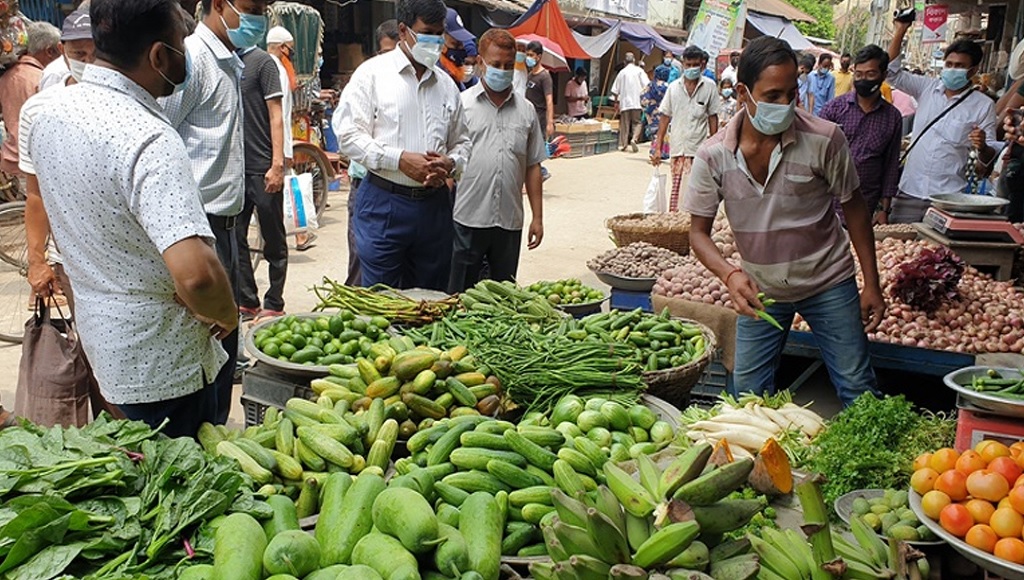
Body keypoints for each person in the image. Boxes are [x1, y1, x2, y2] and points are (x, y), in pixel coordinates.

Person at [27, 0, 237, 436]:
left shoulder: (49, 114)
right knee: (182, 484)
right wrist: (228, 314)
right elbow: (196, 275)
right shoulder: (150, 137)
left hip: (106, 348)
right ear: (159, 56)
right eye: (182, 45)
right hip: (166, 364)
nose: (186, 55)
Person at [684, 36, 884, 407]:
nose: (786, 105)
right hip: (761, 289)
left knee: (857, 387)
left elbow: (855, 208)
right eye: (773, 96)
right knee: (746, 397)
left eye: (792, 93)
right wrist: (729, 274)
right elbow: (698, 233)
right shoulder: (713, 156)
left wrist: (871, 283)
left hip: (828, 282)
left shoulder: (825, 139)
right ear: (743, 92)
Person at [160, 0, 269, 424]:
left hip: (226, 223)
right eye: (251, 7)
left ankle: (216, 433)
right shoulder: (194, 61)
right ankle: (205, 435)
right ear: (220, 5)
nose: (258, 18)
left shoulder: (230, 61)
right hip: (196, 227)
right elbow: (161, 134)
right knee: (208, 338)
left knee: (224, 343)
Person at [20, 6, 121, 421]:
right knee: (91, 349)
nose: (85, 61)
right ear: (62, 51)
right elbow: (36, 194)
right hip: (72, 261)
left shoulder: (121, 101)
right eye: (77, 52)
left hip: (119, 257)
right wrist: (38, 259)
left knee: (115, 356)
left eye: (92, 52)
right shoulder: (40, 111)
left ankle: (123, 430)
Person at [334, 0, 471, 290]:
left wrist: (450, 164)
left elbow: (462, 142)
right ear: (403, 30)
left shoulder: (446, 85)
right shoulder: (371, 75)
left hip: (434, 207)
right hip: (384, 202)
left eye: (439, 34)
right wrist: (398, 160)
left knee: (429, 300)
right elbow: (347, 135)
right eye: (426, 33)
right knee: (380, 299)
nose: (434, 42)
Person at [449, 29, 545, 293]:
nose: (502, 71)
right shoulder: (462, 106)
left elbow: (533, 165)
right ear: (480, 63)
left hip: (509, 221)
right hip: (467, 217)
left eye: (507, 65)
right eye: (495, 64)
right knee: (460, 295)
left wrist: (538, 217)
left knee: (503, 298)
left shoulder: (526, 111)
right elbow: (447, 161)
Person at [887, 19, 997, 223]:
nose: (952, 69)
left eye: (959, 66)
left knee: (938, 254)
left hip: (948, 198)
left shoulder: (983, 105)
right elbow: (891, 73)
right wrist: (901, 30)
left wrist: (982, 146)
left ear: (973, 71)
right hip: (909, 191)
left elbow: (987, 161)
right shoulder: (926, 88)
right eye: (949, 64)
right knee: (900, 248)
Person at [820, 44, 903, 225]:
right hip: (827, 203)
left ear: (883, 76)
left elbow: (890, 166)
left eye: (870, 74)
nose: (863, 79)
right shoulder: (833, 109)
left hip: (865, 206)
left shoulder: (892, 117)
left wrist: (884, 209)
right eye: (859, 74)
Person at [344, 20, 398, 287]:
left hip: (401, 191)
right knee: (361, 260)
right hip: (366, 184)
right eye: (386, 52)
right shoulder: (367, 79)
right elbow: (349, 135)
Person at [236, 47, 287, 322]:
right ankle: (248, 300)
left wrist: (277, 163)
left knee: (273, 239)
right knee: (236, 238)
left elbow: (275, 113)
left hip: (263, 166)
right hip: (234, 170)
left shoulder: (261, 62)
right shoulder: (224, 61)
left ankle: (275, 301)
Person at [651, 45, 721, 212]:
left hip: (698, 150)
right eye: (688, 65)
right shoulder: (674, 87)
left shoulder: (709, 87)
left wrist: (715, 148)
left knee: (695, 194)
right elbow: (665, 118)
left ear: (702, 65)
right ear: (683, 64)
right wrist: (657, 148)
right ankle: (677, 227)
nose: (691, 69)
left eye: (695, 65)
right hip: (678, 149)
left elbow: (713, 118)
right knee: (676, 194)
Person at [0, 22, 61, 194]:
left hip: (12, 158)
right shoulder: (43, 79)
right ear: (49, 51)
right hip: (36, 162)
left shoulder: (6, 77)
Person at [39, 7, 94, 90]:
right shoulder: (55, 76)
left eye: (96, 54)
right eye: (79, 53)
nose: (89, 61)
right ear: (61, 49)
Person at [611, 52, 648, 152]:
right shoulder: (639, 71)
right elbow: (647, 86)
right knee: (637, 122)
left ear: (624, 62)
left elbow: (615, 90)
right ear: (634, 60)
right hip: (637, 102)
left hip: (625, 102)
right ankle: (634, 139)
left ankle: (623, 144)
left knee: (624, 124)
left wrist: (616, 102)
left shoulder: (621, 73)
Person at [439, 8, 477, 90]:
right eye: (455, 44)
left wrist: (468, 81)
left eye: (462, 43)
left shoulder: (455, 70)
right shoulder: (437, 75)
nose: (461, 48)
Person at [641, 64, 672, 160]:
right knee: (664, 131)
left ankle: (655, 150)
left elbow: (642, 98)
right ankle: (660, 152)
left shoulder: (650, 85)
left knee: (654, 132)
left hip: (651, 112)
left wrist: (647, 109)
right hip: (664, 112)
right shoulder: (668, 86)